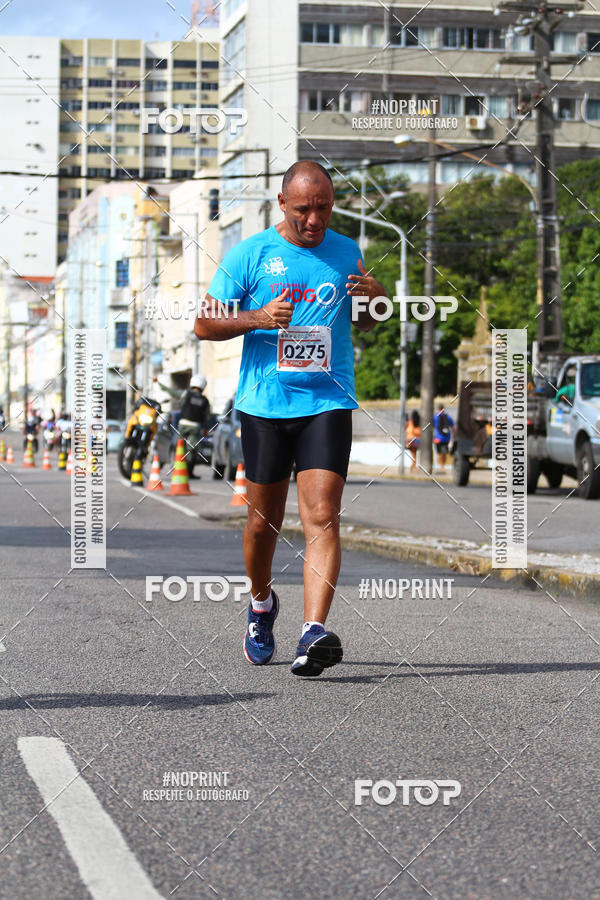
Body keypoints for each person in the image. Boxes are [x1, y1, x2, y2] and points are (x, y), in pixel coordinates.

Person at [194, 160, 383, 676]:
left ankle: (312, 631)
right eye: (304, 209)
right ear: (282, 204)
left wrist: (375, 299)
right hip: (265, 404)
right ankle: (260, 603)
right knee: (263, 524)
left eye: (324, 207)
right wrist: (255, 317)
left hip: (327, 401)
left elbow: (365, 323)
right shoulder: (250, 253)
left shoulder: (347, 252)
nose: (315, 219)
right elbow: (203, 323)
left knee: (322, 515)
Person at [157, 375, 212, 474]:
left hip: (183, 425)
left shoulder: (185, 394)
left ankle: (177, 469)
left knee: (179, 446)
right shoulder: (205, 400)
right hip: (196, 427)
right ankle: (189, 472)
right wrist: (206, 429)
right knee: (192, 450)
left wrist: (159, 383)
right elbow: (208, 417)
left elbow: (171, 391)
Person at [433, 404, 454, 472]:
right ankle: (442, 466)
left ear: (438, 409)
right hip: (446, 438)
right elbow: (453, 428)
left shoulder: (435, 417)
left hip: (437, 438)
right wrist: (453, 437)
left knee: (439, 453)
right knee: (444, 453)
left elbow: (431, 426)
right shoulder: (448, 417)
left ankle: (441, 466)